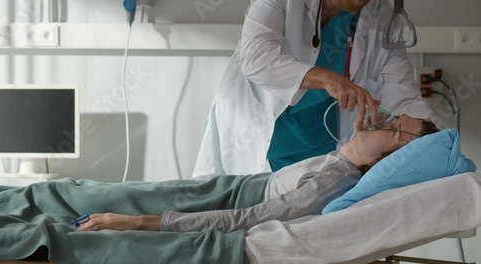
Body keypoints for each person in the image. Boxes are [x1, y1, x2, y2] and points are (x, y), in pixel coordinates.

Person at [192, 0, 435, 178]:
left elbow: (404, 97)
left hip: (319, 138)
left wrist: (438, 140)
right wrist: (327, 79)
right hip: (252, 127)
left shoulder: (382, 17)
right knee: (234, 211)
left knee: (303, 213)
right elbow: (257, 58)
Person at [77, 116, 439, 233]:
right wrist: (355, 145)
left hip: (222, 199)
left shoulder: (334, 182)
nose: (380, 119)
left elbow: (245, 219)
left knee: (90, 198)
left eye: (391, 128)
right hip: (227, 186)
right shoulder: (339, 162)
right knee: (84, 192)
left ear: (391, 154)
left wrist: (136, 222)